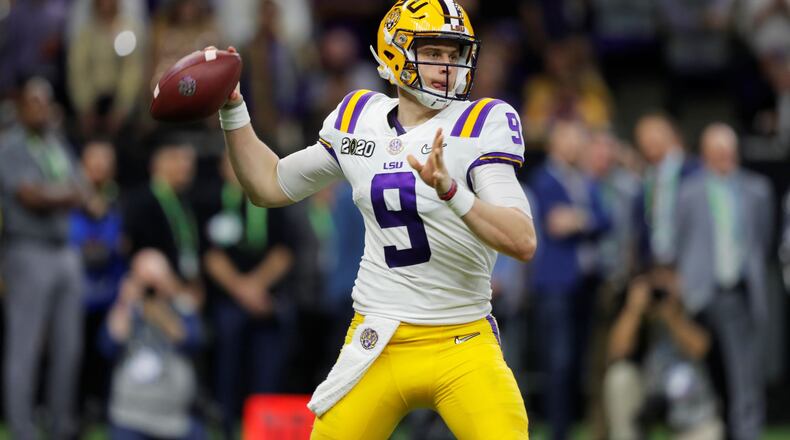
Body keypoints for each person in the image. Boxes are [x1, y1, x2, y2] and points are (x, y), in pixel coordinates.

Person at [213, 1, 537, 438]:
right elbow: (269, 185)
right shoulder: (358, 118)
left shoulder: (481, 123)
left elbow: (522, 240)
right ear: (394, 54)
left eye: (454, 54)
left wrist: (451, 191)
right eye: (433, 52)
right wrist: (233, 109)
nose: (447, 67)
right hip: (379, 335)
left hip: (462, 338)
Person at [674, 123, 773, 440]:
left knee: (745, 371)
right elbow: (681, 240)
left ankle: (746, 431)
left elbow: (762, 240)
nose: (724, 157)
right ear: (705, 155)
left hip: (740, 292)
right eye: (717, 152)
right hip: (701, 294)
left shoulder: (757, 190)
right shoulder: (688, 192)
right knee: (708, 369)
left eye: (728, 151)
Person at [0, 76, 86, 440]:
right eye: (33, 101)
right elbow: (29, 197)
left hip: (65, 250)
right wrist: (67, 194)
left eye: (45, 101)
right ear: (20, 107)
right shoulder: (11, 146)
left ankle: (61, 425)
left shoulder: (56, 143)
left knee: (69, 346)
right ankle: (22, 428)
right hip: (27, 249)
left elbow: (84, 189)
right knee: (25, 345)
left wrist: (60, 193)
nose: (40, 108)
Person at [197, 152, 295, 439]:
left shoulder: (274, 197)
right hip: (229, 301)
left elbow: (285, 250)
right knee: (227, 366)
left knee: (267, 370)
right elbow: (209, 254)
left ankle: (262, 429)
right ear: (222, 168)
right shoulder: (210, 200)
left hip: (267, 301)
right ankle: (226, 425)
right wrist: (242, 290)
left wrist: (256, 287)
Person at [528, 119, 611, 440]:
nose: (577, 146)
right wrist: (585, 220)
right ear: (555, 144)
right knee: (558, 362)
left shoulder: (585, 180)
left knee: (578, 362)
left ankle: (571, 426)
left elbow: (606, 220)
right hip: (555, 284)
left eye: (580, 139)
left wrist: (578, 219)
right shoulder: (544, 179)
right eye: (570, 139)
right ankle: (558, 431)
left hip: (585, 283)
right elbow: (555, 224)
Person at [604, 267, 723, 440]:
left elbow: (701, 349)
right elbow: (617, 351)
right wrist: (634, 309)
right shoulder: (637, 316)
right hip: (649, 399)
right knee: (619, 376)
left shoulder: (694, 308)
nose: (658, 291)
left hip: (692, 412)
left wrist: (672, 315)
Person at [99, 248, 204, 440]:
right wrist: (125, 302)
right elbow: (109, 346)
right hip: (129, 418)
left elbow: (191, 341)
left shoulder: (182, 307)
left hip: (175, 420)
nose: (150, 289)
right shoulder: (125, 308)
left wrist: (162, 305)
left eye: (154, 281)